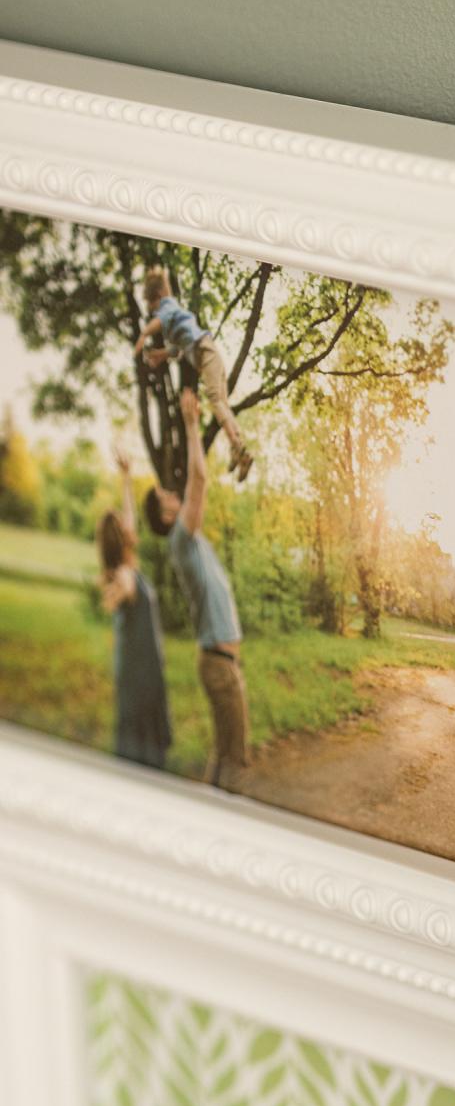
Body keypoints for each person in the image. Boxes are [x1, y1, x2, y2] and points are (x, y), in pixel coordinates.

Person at [143, 388, 250, 788]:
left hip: (222, 663)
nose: (173, 494)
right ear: (166, 515)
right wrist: (191, 424)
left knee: (224, 755)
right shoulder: (180, 539)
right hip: (219, 664)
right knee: (234, 761)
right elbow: (199, 479)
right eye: (166, 496)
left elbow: (196, 484)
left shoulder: (188, 541)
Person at [133, 266, 253, 480]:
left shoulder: (168, 306)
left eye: (151, 306)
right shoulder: (175, 319)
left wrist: (144, 334)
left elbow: (162, 320)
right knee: (222, 405)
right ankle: (239, 449)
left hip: (206, 352)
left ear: (158, 297)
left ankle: (237, 446)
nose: (152, 313)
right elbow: (180, 347)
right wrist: (161, 355)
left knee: (215, 399)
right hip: (207, 353)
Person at [96, 446, 171, 770]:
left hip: (143, 668)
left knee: (143, 738)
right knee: (140, 747)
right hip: (138, 674)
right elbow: (119, 593)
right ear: (122, 538)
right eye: (124, 526)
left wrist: (126, 477)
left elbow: (129, 519)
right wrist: (115, 593)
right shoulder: (126, 576)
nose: (131, 526)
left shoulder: (128, 568)